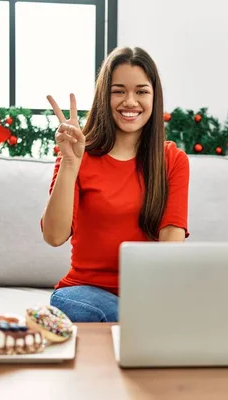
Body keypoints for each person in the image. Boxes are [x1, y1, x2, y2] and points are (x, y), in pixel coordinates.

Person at [41, 47, 190, 323]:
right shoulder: (77, 153)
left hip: (143, 297)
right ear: (104, 97)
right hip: (80, 294)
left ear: (154, 97)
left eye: (141, 91)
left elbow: (171, 243)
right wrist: (70, 164)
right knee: (122, 316)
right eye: (118, 91)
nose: (130, 101)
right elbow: (54, 236)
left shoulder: (172, 160)